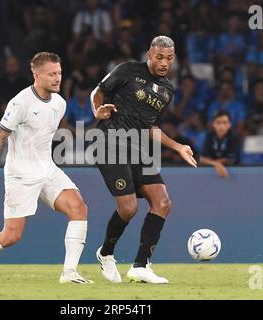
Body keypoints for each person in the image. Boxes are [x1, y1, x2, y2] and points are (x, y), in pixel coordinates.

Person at [0, 52, 93, 285]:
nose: (57, 78)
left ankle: (69, 273)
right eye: (52, 74)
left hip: (47, 169)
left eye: (60, 73)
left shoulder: (60, 103)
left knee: (79, 208)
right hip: (21, 174)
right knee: (11, 236)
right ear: (36, 75)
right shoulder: (20, 102)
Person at [90, 36, 197, 284]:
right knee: (128, 208)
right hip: (109, 142)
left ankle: (141, 266)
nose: (163, 63)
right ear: (149, 53)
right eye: (159, 56)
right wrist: (97, 109)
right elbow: (99, 91)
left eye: (169, 58)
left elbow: (150, 126)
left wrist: (179, 146)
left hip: (138, 148)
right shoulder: (128, 70)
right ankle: (106, 253)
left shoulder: (167, 90)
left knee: (162, 202)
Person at [200, 110, 240, 178]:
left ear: (229, 124)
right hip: (212, 173)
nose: (221, 126)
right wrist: (216, 164)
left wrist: (214, 163)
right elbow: (202, 159)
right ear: (213, 124)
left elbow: (231, 159)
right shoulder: (209, 136)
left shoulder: (234, 137)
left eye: (224, 123)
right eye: (218, 122)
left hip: (234, 173)